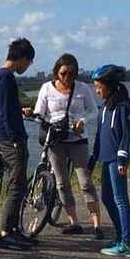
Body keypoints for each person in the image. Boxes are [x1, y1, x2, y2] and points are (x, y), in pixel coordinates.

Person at [32, 54, 102, 239]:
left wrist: (82, 121)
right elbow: (40, 112)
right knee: (62, 184)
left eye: (71, 74)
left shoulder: (82, 88)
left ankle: (97, 224)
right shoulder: (46, 88)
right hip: (56, 141)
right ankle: (74, 222)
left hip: (77, 140)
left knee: (86, 182)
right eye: (63, 73)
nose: (67, 77)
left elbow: (94, 110)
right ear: (56, 72)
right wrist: (30, 112)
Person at [0, 37, 37, 250]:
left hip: (5, 137)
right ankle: (5, 232)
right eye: (29, 62)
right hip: (10, 141)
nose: (27, 67)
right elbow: (4, 113)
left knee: (19, 185)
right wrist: (14, 139)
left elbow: (3, 109)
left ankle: (14, 229)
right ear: (22, 58)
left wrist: (19, 111)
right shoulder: (6, 77)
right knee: (16, 186)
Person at [88, 64, 130, 258]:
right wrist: (93, 159)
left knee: (120, 200)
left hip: (116, 160)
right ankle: (120, 237)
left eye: (98, 86)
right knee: (107, 199)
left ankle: (127, 243)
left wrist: (122, 159)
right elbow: (100, 135)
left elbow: (125, 136)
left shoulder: (123, 106)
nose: (96, 90)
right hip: (104, 158)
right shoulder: (105, 107)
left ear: (109, 85)